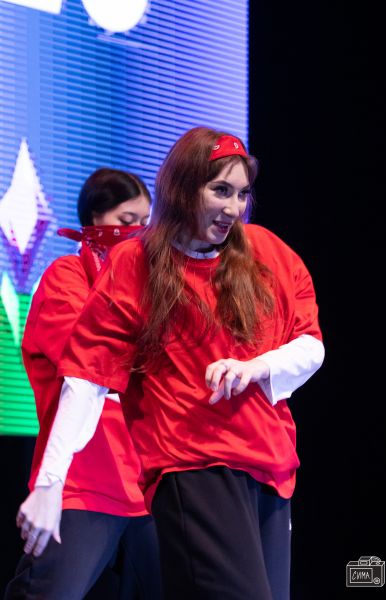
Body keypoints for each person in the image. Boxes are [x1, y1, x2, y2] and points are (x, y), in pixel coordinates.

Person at [14, 128, 325, 600]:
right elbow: (86, 377)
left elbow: (310, 344)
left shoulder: (266, 254)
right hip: (185, 464)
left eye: (242, 194)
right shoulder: (131, 265)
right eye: (220, 190)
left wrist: (256, 367)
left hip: (271, 469)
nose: (234, 207)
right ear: (182, 189)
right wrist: (50, 483)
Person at [5, 168, 163, 600]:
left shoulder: (149, 287)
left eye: (145, 222)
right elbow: (90, 361)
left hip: (147, 482)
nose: (138, 232)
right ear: (95, 218)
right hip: (84, 480)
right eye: (127, 220)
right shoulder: (65, 277)